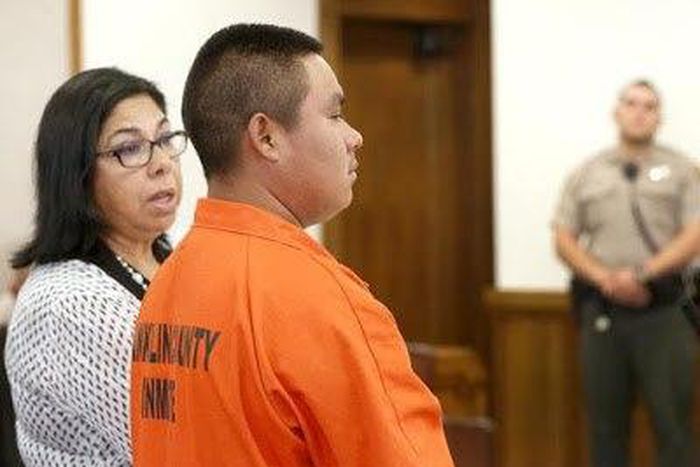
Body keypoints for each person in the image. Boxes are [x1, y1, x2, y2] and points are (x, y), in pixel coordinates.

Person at [130, 23, 454, 467]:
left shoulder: (169, 281)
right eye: (335, 115)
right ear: (266, 137)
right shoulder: (318, 300)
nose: (354, 137)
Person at [4, 67, 185, 465]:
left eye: (164, 139)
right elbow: (180, 443)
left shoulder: (166, 258)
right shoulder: (70, 304)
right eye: (130, 148)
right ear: (78, 175)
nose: (162, 163)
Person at [553, 79, 700, 467]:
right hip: (603, 311)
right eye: (631, 104)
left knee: (674, 426)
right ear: (616, 112)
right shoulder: (587, 173)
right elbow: (564, 238)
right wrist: (606, 279)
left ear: (659, 117)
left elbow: (695, 233)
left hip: (664, 312)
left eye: (649, 106)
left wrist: (642, 274)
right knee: (605, 428)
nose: (639, 113)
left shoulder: (683, 171)